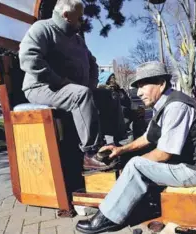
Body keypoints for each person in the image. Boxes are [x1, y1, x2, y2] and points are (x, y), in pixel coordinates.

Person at [76, 61, 196, 234]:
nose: (139, 92)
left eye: (143, 85)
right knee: (131, 157)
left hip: (195, 171)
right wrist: (121, 150)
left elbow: (163, 154)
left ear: (161, 83)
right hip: (185, 164)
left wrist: (132, 166)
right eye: (137, 87)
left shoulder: (176, 106)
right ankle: (132, 203)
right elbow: (147, 138)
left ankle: (108, 218)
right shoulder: (164, 103)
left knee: (135, 165)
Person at [19, 0, 122, 171]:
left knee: (108, 95)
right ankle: (91, 153)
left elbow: (93, 63)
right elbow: (28, 58)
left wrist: (91, 85)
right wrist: (59, 81)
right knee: (81, 95)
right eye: (80, 18)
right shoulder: (43, 28)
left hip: (72, 89)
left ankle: (114, 146)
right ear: (66, 16)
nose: (83, 21)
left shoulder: (77, 39)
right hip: (41, 87)